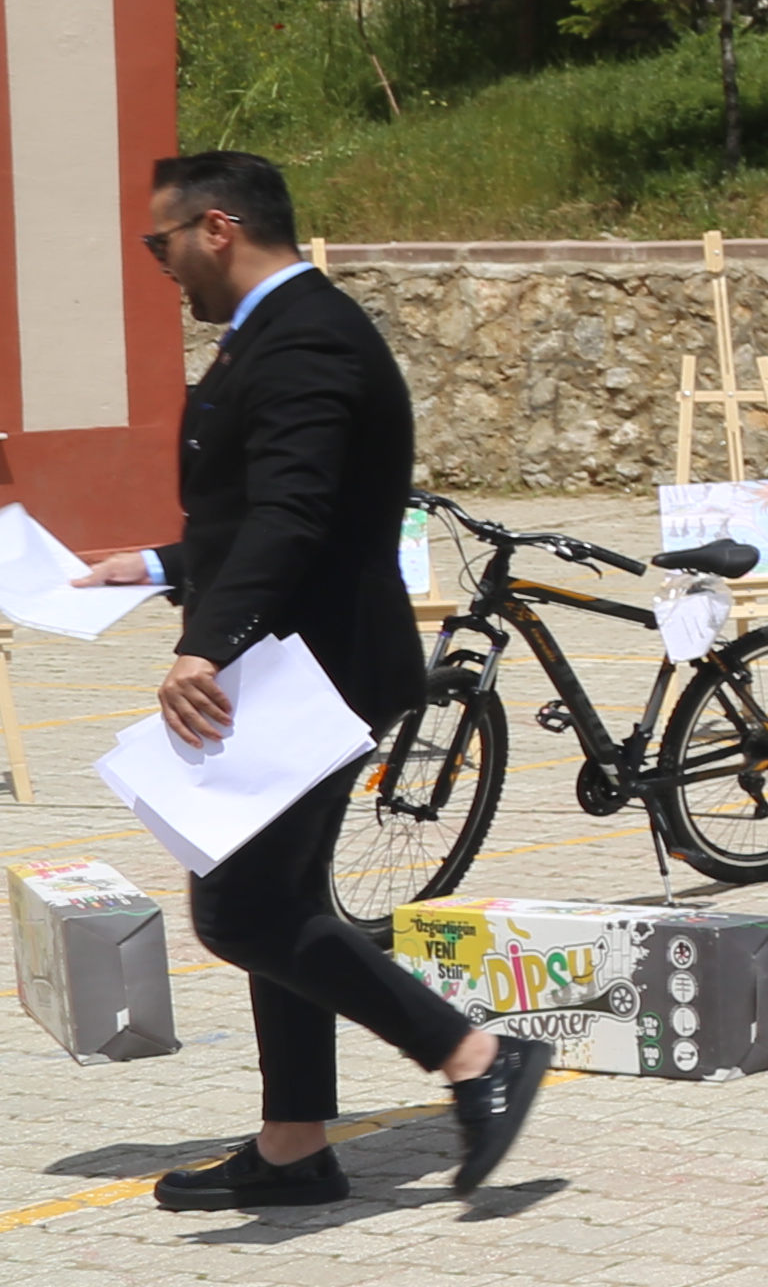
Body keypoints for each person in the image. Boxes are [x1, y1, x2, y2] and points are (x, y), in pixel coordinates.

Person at [104, 151, 552, 1213]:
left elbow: (296, 518)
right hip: (301, 659)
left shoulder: (304, 336)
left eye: (158, 243)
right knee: (281, 899)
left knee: (241, 909)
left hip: (317, 670)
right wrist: (163, 564)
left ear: (217, 228)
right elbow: (276, 507)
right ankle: (296, 1144)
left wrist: (203, 642)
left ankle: (476, 1058)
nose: (159, 266)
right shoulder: (277, 330)